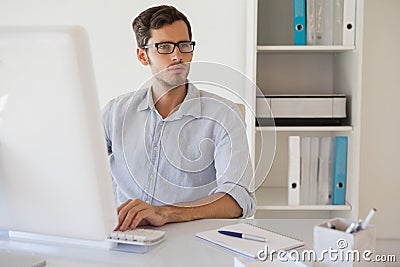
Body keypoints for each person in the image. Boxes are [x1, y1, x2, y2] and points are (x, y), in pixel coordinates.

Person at [102, 5, 255, 231]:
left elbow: (238, 200)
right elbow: (77, 172)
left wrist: (165, 213)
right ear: (143, 56)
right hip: (125, 239)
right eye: (164, 47)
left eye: (184, 45)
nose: (177, 56)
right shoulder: (115, 113)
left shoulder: (224, 114)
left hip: (193, 243)